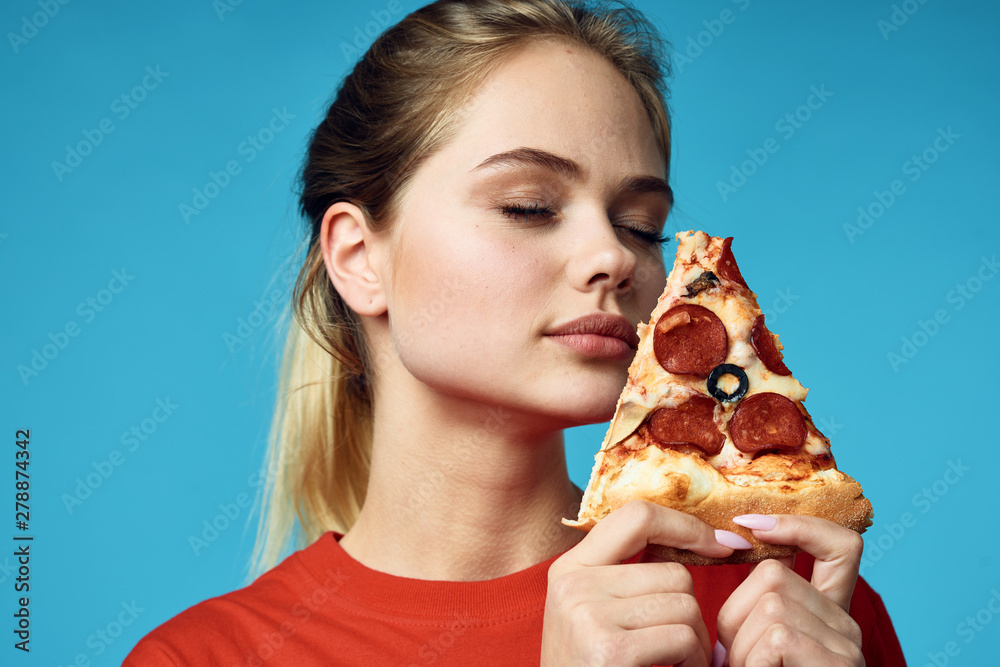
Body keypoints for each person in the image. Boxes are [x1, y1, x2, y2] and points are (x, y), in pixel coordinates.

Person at [124, 0, 906, 665]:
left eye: (640, 224)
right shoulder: (203, 655)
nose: (613, 256)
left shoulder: (788, 605)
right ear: (360, 258)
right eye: (529, 205)